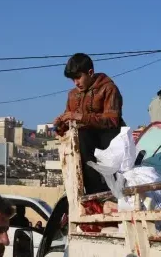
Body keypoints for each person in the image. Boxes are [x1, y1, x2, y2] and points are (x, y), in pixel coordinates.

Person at [53, 53, 124, 194]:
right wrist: (60, 125)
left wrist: (81, 117)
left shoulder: (109, 88)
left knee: (88, 134)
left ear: (90, 73)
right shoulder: (72, 95)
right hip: (87, 147)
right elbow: (70, 122)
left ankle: (110, 190)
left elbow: (112, 120)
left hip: (108, 142)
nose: (76, 83)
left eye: (78, 77)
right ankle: (93, 192)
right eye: (73, 79)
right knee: (81, 136)